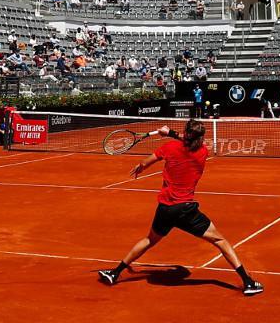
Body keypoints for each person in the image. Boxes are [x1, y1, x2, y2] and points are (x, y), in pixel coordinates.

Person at [97, 119, 263, 296]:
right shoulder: (203, 152)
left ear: (186, 132)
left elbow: (147, 162)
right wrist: (171, 133)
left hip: (165, 209)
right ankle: (248, 282)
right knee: (220, 241)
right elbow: (187, 140)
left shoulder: (169, 148)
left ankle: (115, 273)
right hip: (186, 210)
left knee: (149, 240)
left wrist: (142, 165)